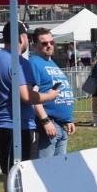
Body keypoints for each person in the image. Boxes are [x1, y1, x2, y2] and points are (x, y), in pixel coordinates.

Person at [0, 22, 59, 192]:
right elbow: (26, 96)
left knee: (9, 174)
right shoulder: (18, 62)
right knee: (20, 175)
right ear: (22, 38)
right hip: (17, 126)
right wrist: (50, 96)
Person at [29, 28, 76, 157]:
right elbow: (32, 96)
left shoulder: (51, 62)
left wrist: (68, 119)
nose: (49, 45)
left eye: (51, 42)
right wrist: (45, 121)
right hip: (49, 124)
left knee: (60, 170)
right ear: (34, 45)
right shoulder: (34, 63)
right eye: (44, 43)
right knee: (45, 168)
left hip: (62, 125)